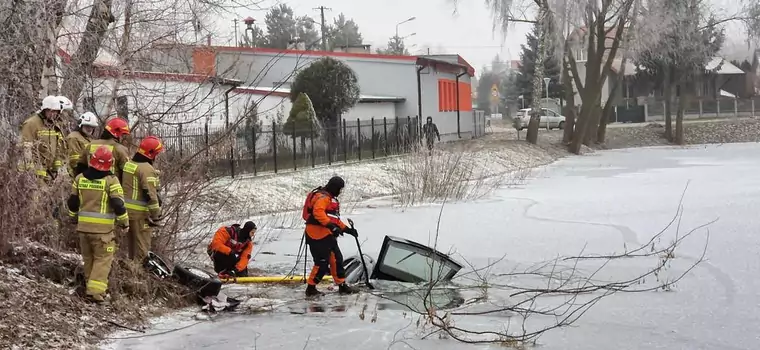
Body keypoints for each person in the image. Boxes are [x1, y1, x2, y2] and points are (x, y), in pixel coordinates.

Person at [67, 145, 129, 303]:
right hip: (103, 231)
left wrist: (73, 218)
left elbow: (73, 203)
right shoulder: (111, 180)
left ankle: (90, 287)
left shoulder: (79, 178)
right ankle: (95, 293)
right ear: (110, 163)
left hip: (83, 229)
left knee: (89, 259)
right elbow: (118, 204)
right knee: (103, 260)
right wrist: (124, 222)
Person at [302, 176, 358, 297]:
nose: (340, 192)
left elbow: (334, 219)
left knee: (336, 259)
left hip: (326, 234)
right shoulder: (323, 198)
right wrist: (331, 226)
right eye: (339, 189)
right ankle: (311, 288)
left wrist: (347, 230)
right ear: (334, 188)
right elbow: (318, 212)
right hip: (317, 235)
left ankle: (342, 285)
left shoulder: (328, 198)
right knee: (322, 263)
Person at [122, 135, 164, 262]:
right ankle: (138, 275)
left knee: (131, 250)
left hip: (127, 213)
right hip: (140, 215)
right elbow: (150, 195)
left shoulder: (129, 164)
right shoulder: (147, 169)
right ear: (151, 153)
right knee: (141, 251)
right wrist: (156, 215)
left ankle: (131, 273)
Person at [19, 95, 66, 182]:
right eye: (52, 111)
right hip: (32, 174)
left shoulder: (53, 126)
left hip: (48, 173)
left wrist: (55, 169)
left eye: (57, 112)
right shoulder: (31, 123)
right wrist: (30, 171)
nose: (54, 114)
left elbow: (57, 149)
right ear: (45, 110)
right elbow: (26, 148)